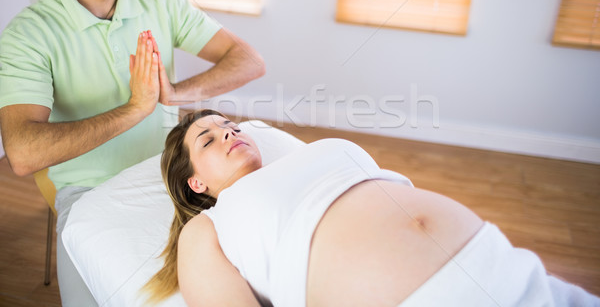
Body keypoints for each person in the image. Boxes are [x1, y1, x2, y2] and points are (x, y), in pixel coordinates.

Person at [0, 0, 264, 305]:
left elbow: (248, 60)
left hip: (172, 174)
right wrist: (134, 109)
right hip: (88, 192)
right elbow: (22, 153)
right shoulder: (28, 35)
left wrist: (173, 92)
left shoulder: (158, 1)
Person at [145, 110, 600, 307]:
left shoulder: (300, 157)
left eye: (229, 124)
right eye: (208, 138)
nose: (228, 132)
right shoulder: (208, 227)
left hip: (502, 267)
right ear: (196, 182)